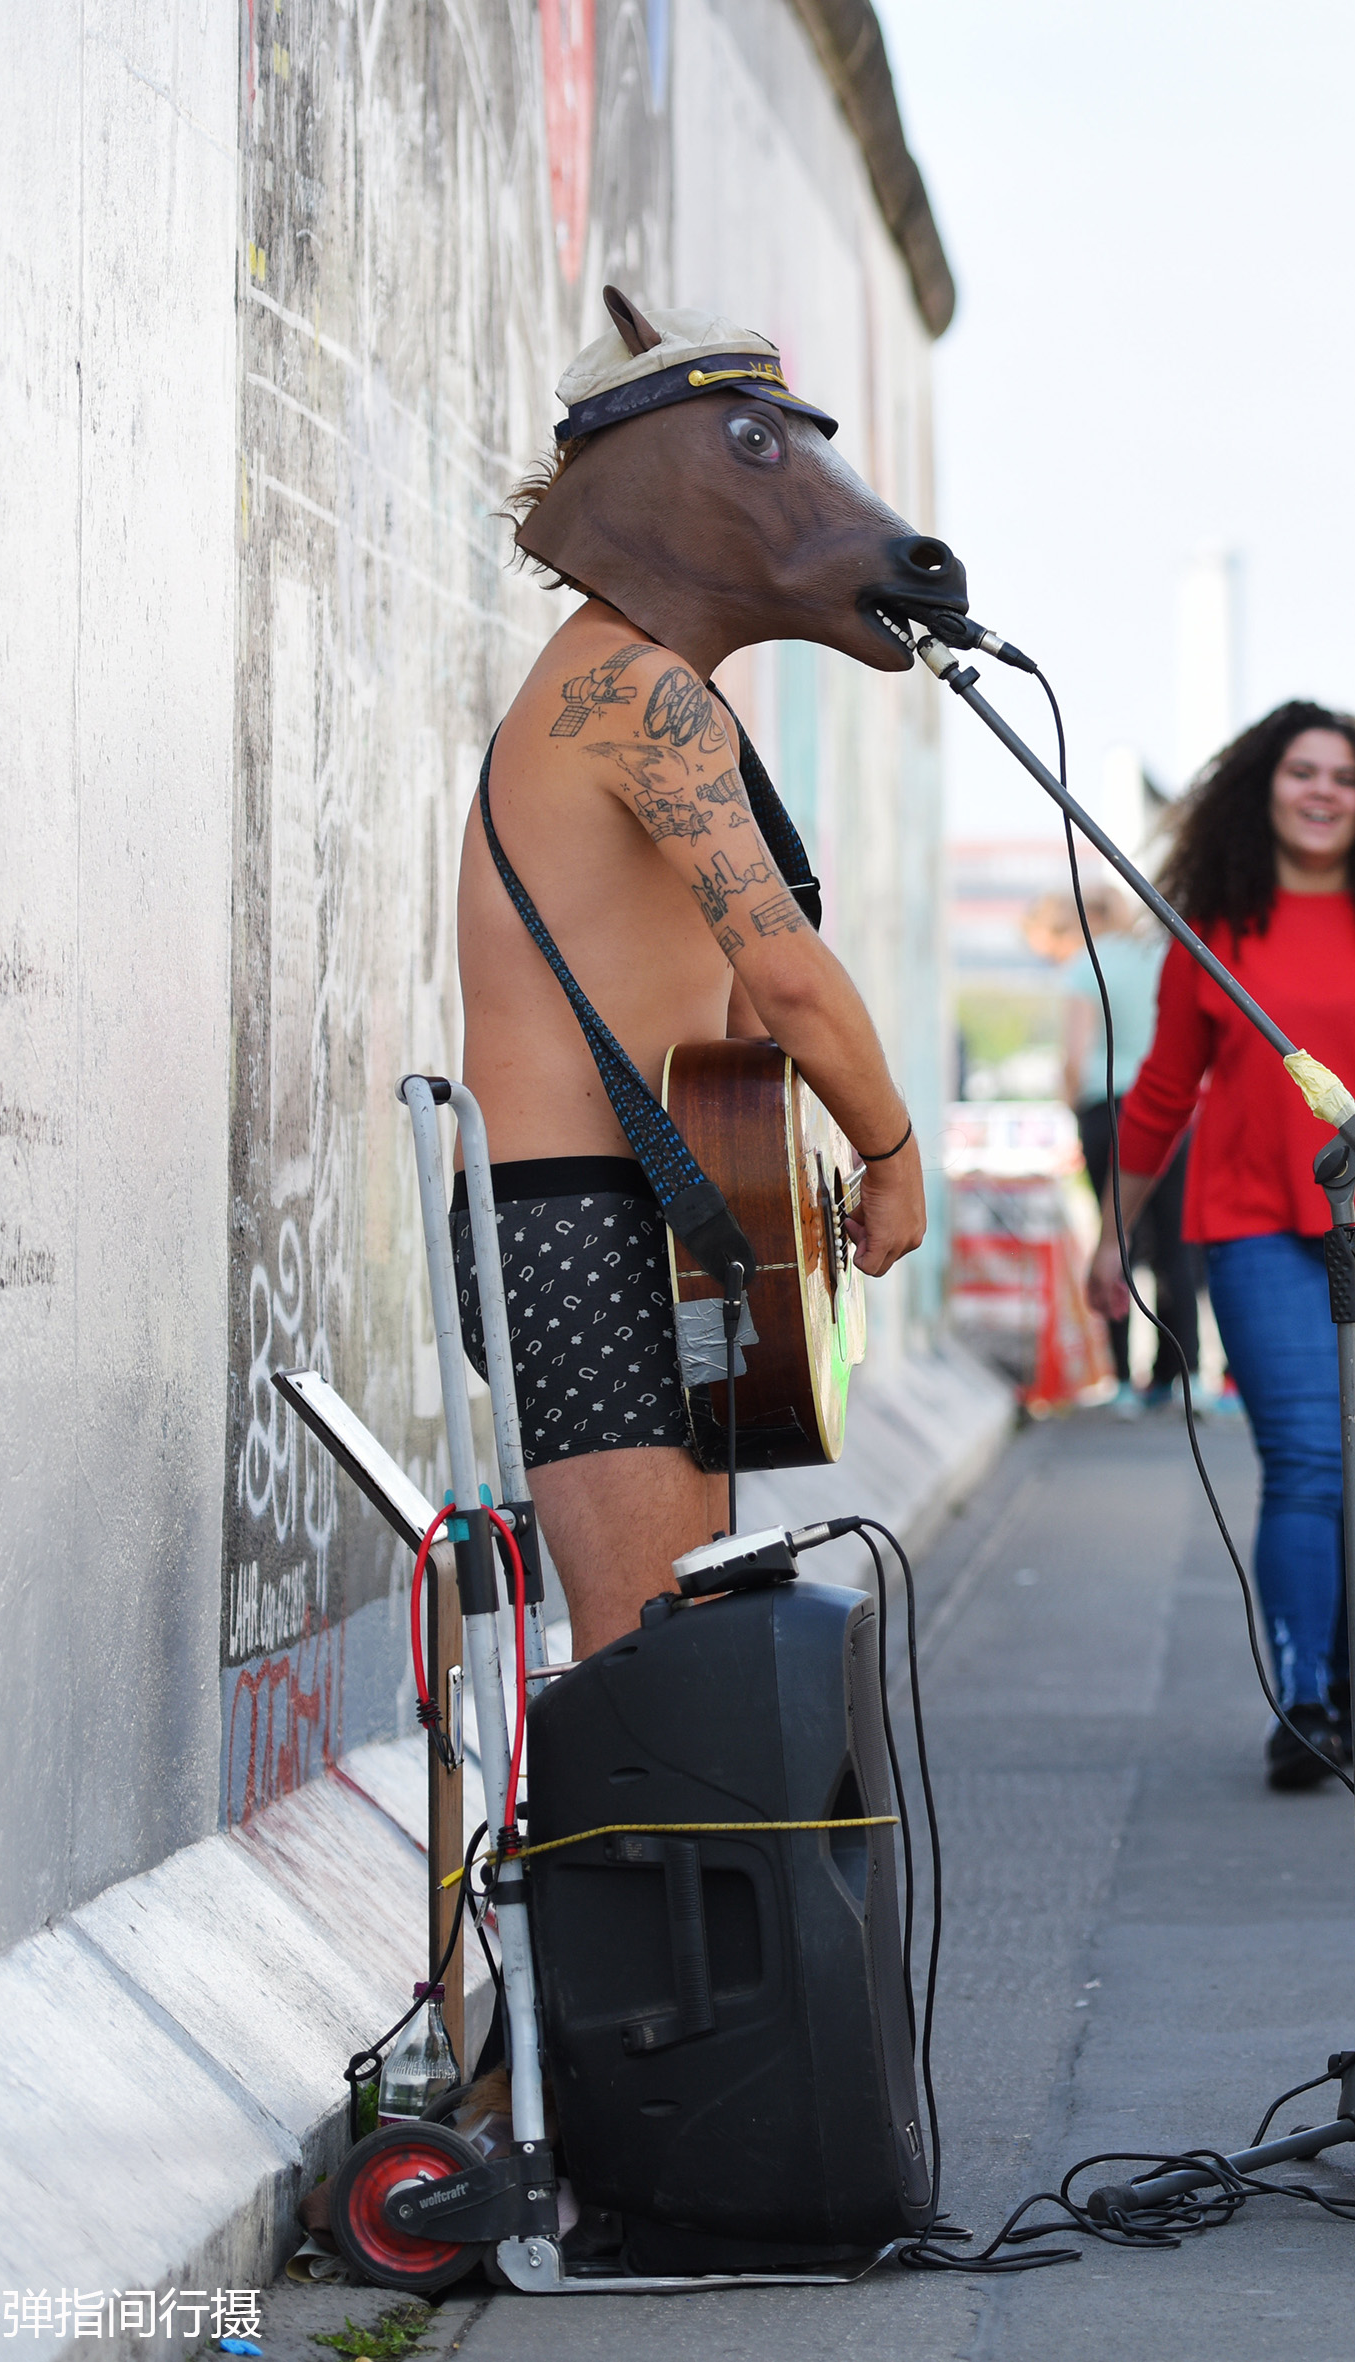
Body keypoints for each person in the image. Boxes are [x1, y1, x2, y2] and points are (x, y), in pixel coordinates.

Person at [462, 304, 925, 1647]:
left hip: (635, 1207)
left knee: (681, 1654)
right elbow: (782, 976)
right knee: (648, 1660)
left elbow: (723, 1023)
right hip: (577, 1215)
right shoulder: (637, 696)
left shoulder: (638, 686)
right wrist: (889, 1154)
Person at [1091, 701, 1355, 1791]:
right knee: (1306, 1461)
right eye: (1300, 771)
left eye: (1342, 777)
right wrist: (1117, 1228)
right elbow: (1164, 1088)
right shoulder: (1217, 923)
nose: (1320, 791)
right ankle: (1304, 1698)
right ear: (1265, 787)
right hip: (1257, 1221)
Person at [1028, 883, 1194, 1407]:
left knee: (1114, 1239)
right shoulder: (1158, 956)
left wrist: (1068, 1104)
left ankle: (1121, 1381)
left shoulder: (1085, 965)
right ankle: (1179, 1378)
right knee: (1174, 1248)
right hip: (1172, 1110)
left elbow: (1076, 1056)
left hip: (1109, 1111)